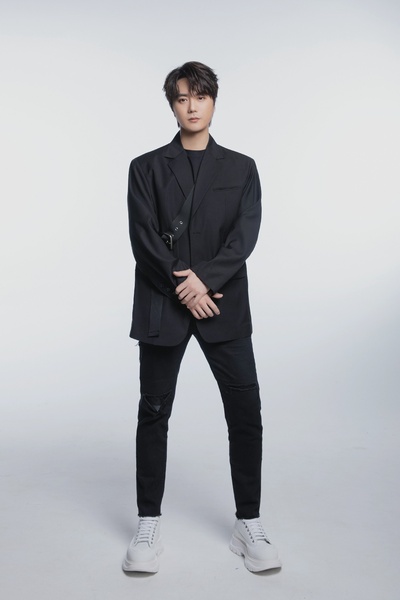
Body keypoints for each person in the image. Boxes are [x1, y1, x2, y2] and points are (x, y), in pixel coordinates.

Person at [123, 61, 281, 574]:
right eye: (182, 98)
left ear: (214, 101)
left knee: (246, 413)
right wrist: (182, 285)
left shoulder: (241, 168)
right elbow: (143, 237)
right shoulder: (145, 168)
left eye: (200, 96)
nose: (191, 106)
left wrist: (203, 281)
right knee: (154, 412)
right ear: (172, 104)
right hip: (163, 304)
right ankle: (148, 522)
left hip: (222, 304)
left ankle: (248, 521)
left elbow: (245, 235)